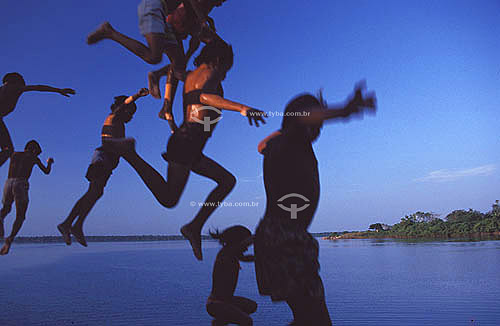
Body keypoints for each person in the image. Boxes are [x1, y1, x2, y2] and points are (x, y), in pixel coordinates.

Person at [120, 40, 266, 260]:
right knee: (169, 198)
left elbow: (175, 71)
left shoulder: (189, 74)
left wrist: (160, 82)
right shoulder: (210, 73)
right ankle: (130, 153)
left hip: (188, 143)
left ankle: (194, 226)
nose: (225, 75)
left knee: (227, 181)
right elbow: (204, 97)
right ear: (218, 61)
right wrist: (242, 108)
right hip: (187, 142)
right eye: (226, 69)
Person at [254, 82, 376, 325]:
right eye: (316, 122)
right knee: (315, 317)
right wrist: (345, 110)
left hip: (282, 236)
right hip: (284, 237)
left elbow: (261, 144)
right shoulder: (289, 142)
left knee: (308, 317)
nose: (319, 128)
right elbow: (300, 119)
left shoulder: (278, 144)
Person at [57, 88, 149, 247]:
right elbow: (123, 105)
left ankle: (74, 225)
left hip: (106, 161)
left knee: (95, 192)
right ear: (124, 109)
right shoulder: (114, 117)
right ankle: (69, 224)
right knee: (95, 191)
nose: (131, 117)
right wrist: (137, 96)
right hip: (102, 158)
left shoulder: (118, 122)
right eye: (131, 112)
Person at [86, 0, 224, 95]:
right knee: (153, 56)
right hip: (153, 8)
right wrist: (203, 19)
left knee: (179, 69)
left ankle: (157, 76)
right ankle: (109, 32)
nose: (220, 4)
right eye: (221, 1)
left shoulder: (201, 10)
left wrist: (206, 19)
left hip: (164, 18)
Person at [0, 72, 75, 167]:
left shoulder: (5, 88)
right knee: (8, 150)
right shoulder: (14, 87)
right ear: (16, 81)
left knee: (8, 150)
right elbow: (38, 87)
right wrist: (58, 90)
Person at [0, 140, 54, 255]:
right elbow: (46, 171)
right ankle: (9, 239)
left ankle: (1, 218)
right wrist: (49, 163)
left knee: (6, 208)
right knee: (21, 216)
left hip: (8, 183)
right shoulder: (33, 157)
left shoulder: (14, 154)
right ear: (33, 150)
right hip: (20, 184)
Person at [207, 225, 257, 326]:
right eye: (245, 246)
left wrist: (261, 257)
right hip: (216, 303)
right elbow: (241, 245)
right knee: (247, 321)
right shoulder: (225, 254)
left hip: (227, 300)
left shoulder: (232, 254)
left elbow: (246, 257)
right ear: (236, 242)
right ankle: (220, 321)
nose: (247, 249)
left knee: (251, 306)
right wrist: (261, 234)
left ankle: (220, 321)